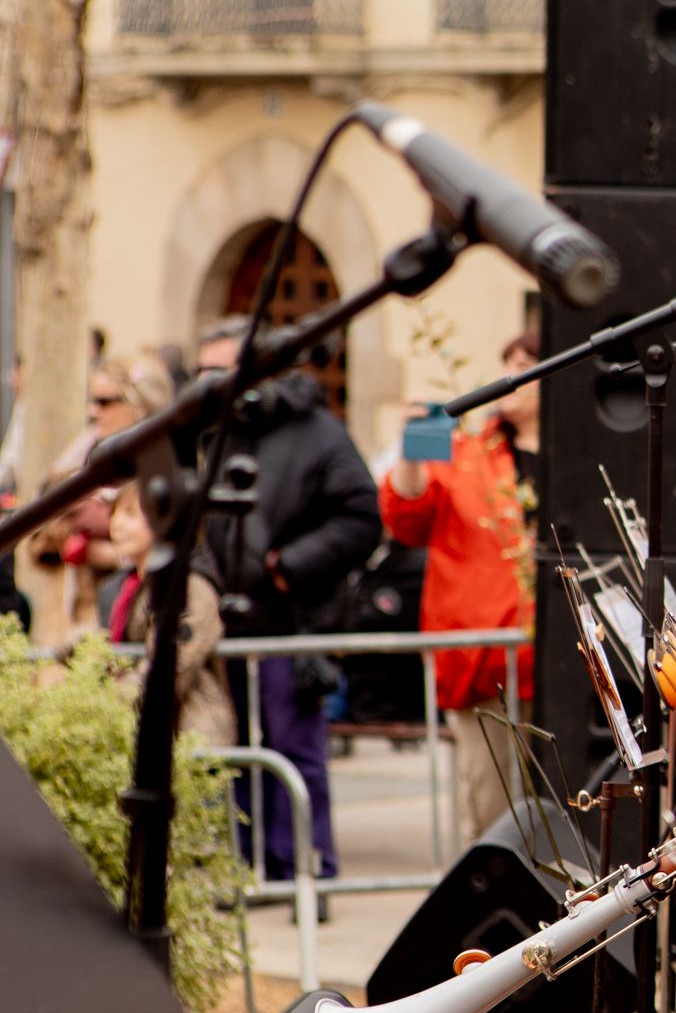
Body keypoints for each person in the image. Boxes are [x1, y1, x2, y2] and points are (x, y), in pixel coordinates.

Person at [196, 315, 381, 881]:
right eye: (203, 371)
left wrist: (288, 566)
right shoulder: (216, 430)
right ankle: (243, 867)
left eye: (220, 370)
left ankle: (302, 871)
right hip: (229, 627)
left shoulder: (318, 432)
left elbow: (362, 518)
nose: (208, 382)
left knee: (293, 753)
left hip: (295, 629)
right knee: (237, 752)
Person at [379, 329, 539, 839]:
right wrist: (410, 449)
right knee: (494, 809)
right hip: (486, 663)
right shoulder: (469, 455)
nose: (512, 373)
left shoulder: (579, 456)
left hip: (562, 662)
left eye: (527, 362)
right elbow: (407, 517)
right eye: (507, 361)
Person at [31, 353, 175, 630]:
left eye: (105, 402)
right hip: (78, 605)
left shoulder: (163, 460)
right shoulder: (85, 448)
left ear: (139, 405)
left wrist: (110, 549)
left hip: (141, 605)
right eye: (93, 400)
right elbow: (46, 514)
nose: (94, 411)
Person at [101, 482, 235, 751]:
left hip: (192, 739)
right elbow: (103, 645)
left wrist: (104, 700)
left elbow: (172, 665)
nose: (116, 524)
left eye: (131, 514)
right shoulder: (121, 587)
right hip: (138, 738)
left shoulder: (192, 584)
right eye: (114, 513)